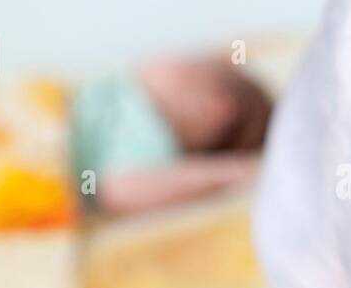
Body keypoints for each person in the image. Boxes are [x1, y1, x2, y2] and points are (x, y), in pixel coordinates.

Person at [71, 53, 272, 214]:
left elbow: (117, 191)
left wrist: (227, 174)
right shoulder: (122, 84)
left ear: (216, 108)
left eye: (193, 64)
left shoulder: (150, 131)